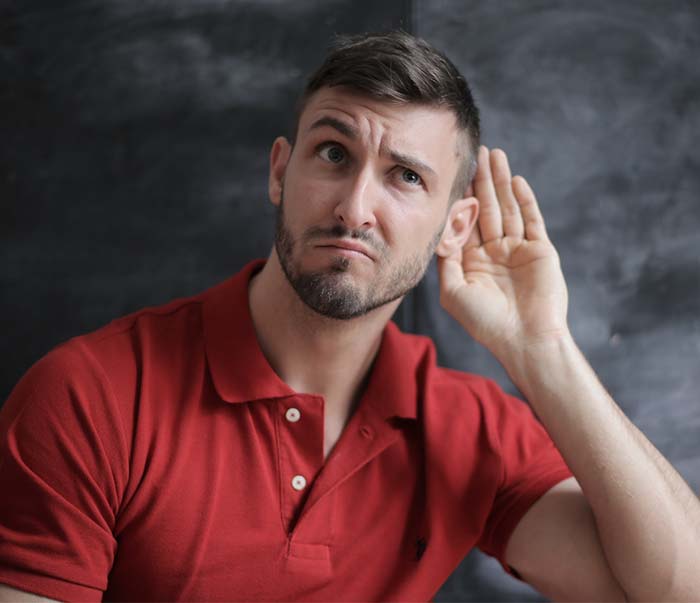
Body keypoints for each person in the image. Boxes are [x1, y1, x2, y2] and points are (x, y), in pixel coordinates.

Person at [0, 30, 698, 603]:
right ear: (280, 171)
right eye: (334, 153)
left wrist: (542, 348)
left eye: (406, 176)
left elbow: (675, 590)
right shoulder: (87, 396)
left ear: (454, 227)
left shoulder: (470, 430)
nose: (355, 206)